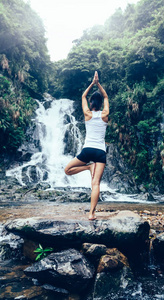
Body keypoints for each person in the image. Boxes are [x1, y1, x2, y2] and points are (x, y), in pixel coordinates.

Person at [64, 71, 109, 220]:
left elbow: (82, 96)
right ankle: (91, 214)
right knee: (95, 184)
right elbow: (106, 96)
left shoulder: (87, 114)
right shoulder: (105, 114)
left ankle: (88, 167)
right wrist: (99, 84)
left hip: (87, 150)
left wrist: (92, 83)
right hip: (100, 153)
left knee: (67, 170)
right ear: (101, 103)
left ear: (91, 103)